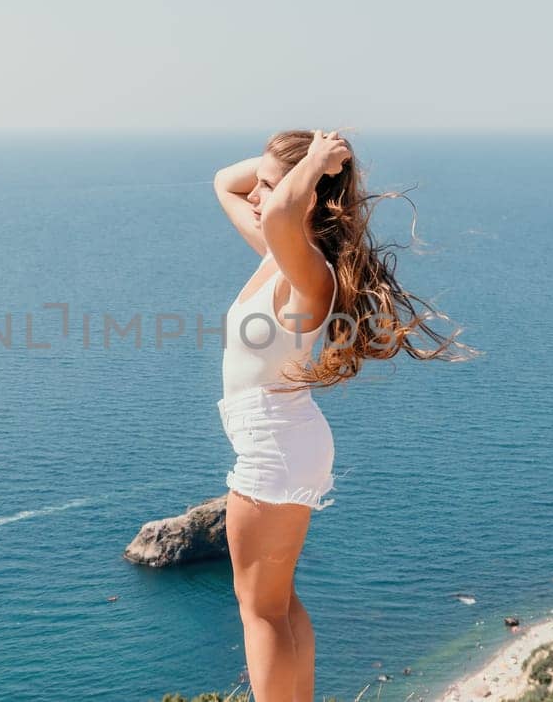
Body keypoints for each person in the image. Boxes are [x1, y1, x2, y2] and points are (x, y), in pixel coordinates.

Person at [212, 129, 469, 700]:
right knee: (277, 604)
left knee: (258, 611)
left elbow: (278, 208)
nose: (257, 194)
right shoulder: (282, 256)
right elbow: (223, 185)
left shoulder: (308, 269)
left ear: (307, 199)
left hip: (272, 444)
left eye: (271, 186)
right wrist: (288, 162)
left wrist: (315, 164)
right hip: (284, 439)